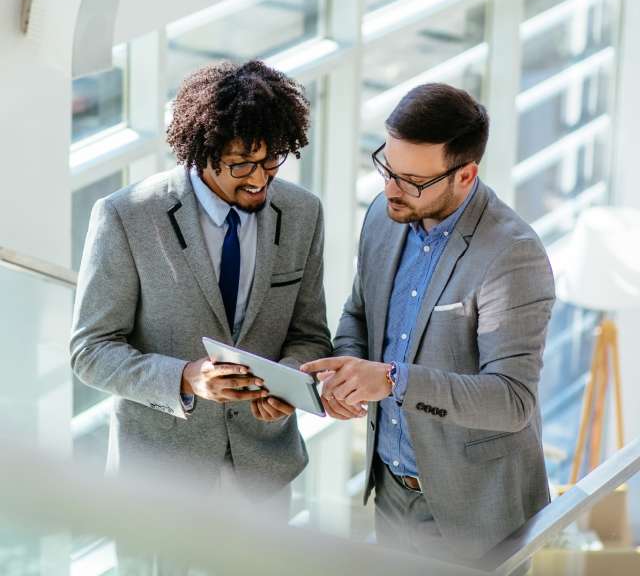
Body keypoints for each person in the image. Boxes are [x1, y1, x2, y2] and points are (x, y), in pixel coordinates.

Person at [302, 83, 555, 561]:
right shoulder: (383, 214)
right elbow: (360, 311)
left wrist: (392, 381)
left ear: (465, 175)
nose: (391, 189)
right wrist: (349, 373)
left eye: (413, 181)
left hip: (474, 510)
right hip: (391, 493)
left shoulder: (511, 255)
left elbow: (512, 400)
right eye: (387, 168)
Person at [71, 60, 331, 505]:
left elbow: (309, 334)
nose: (258, 178)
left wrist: (290, 379)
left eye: (271, 161)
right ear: (201, 152)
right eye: (240, 165)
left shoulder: (302, 213)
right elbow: (90, 351)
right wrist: (186, 379)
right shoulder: (127, 216)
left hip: (263, 473)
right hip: (156, 482)